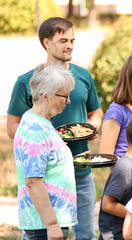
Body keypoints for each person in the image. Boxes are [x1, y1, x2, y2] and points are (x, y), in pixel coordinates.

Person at [7, 17, 102, 240]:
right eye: (63, 40)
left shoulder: (83, 76)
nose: (69, 45)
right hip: (47, 179)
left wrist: (89, 130)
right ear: (46, 43)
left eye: (72, 40)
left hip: (77, 170)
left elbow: (95, 112)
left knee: (85, 234)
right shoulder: (27, 83)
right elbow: (14, 128)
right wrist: (48, 145)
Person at [14, 64, 77, 240]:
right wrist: (52, 224)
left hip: (48, 223)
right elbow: (33, 181)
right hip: (44, 226)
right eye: (65, 96)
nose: (68, 101)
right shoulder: (35, 129)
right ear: (46, 97)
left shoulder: (41, 123)